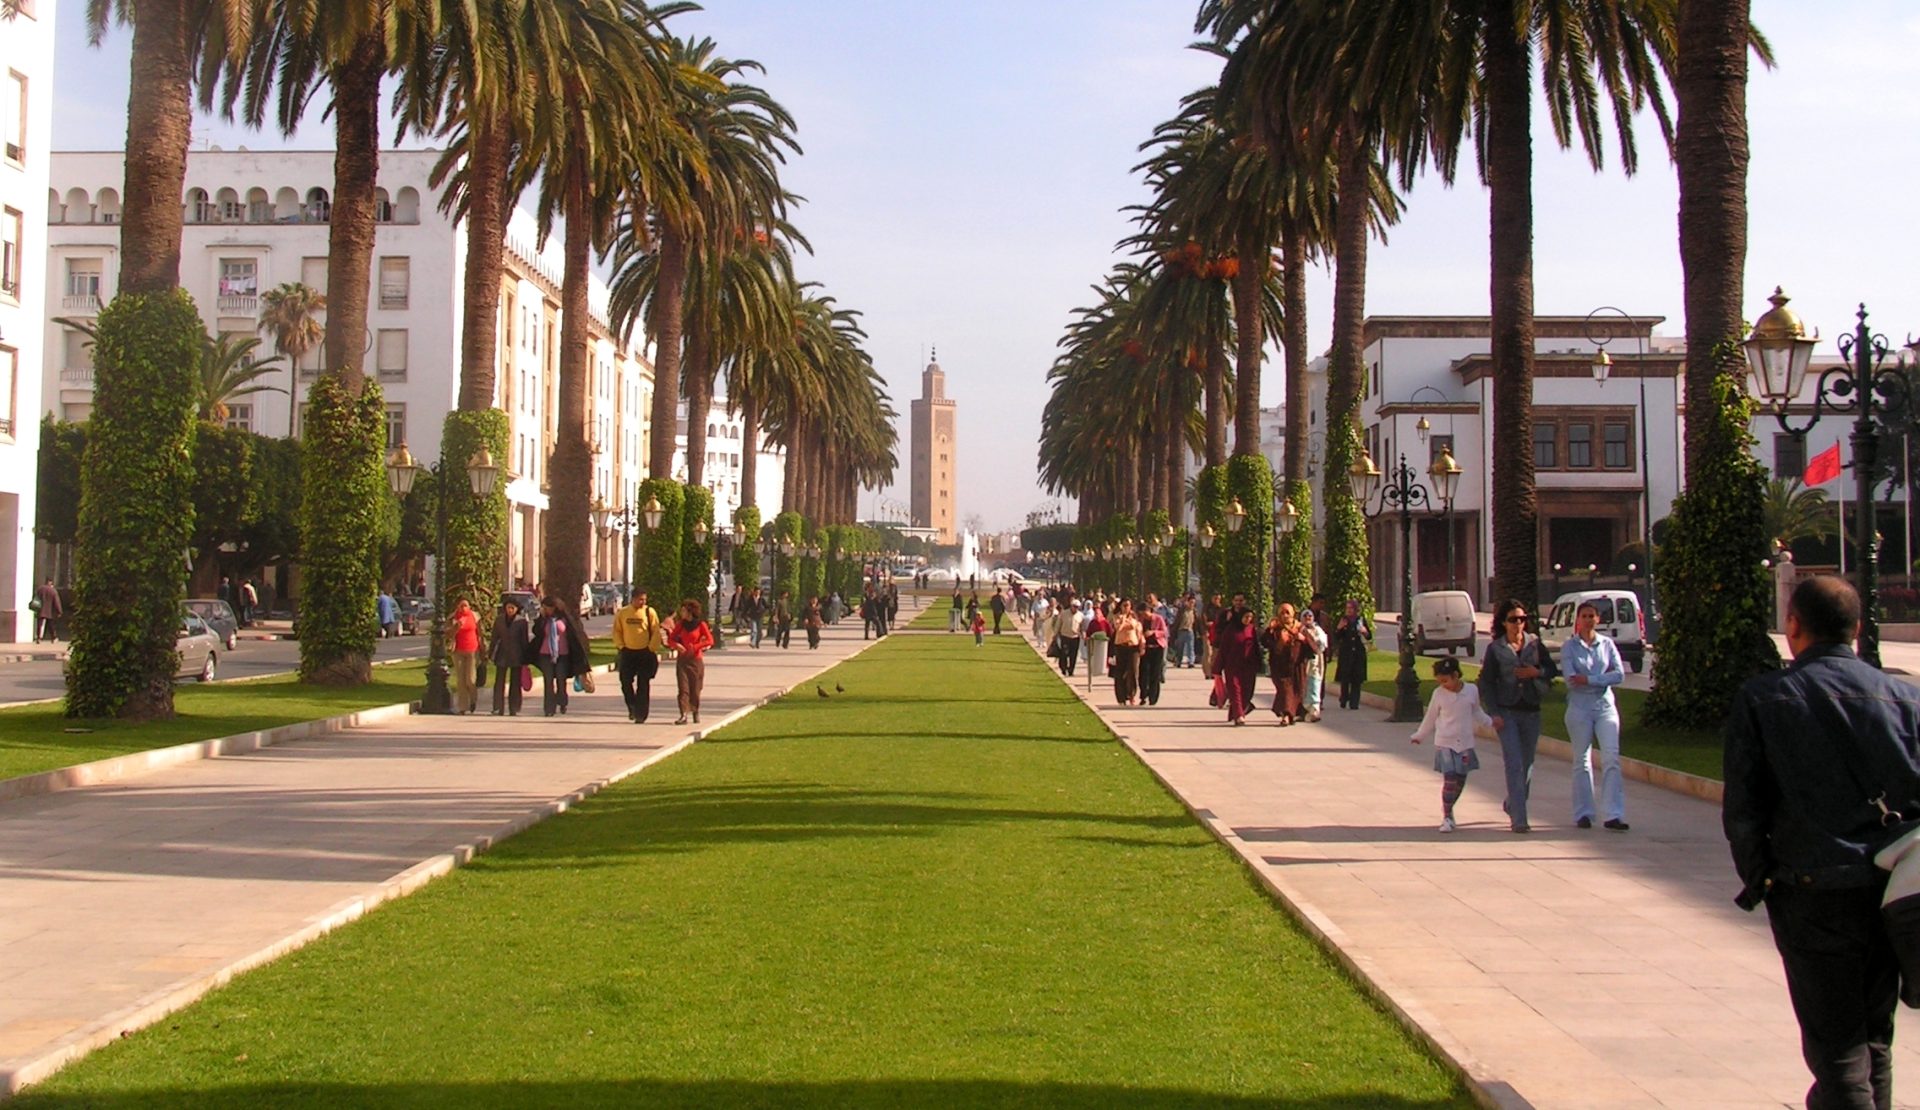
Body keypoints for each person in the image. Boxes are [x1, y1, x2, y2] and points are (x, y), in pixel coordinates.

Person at [1726, 575, 1920, 1109]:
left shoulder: (1765, 698)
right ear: (1856, 630)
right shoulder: (1906, 698)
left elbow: (1744, 807)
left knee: (1836, 1050)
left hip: (1811, 892)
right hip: (1890, 891)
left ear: (1793, 625)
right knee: (1874, 1037)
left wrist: (1762, 878)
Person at [1478, 598, 1553, 834]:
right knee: (1514, 764)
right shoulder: (1496, 649)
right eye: (1513, 620)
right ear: (1503, 622)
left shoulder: (1535, 645)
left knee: (1527, 763)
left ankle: (1513, 803)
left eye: (1522, 619)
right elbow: (1486, 682)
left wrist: (1536, 672)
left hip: (1531, 710)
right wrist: (1494, 713)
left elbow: (1552, 670)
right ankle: (1520, 819)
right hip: (1507, 712)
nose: (1518, 624)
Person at [1563, 600, 1629, 831]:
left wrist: (1591, 680)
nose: (1588, 620)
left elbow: (1619, 674)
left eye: (1592, 616)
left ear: (1597, 619)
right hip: (1579, 709)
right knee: (1582, 760)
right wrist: (1600, 678)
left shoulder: (1607, 645)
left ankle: (1614, 814)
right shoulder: (1570, 647)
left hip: (1604, 707)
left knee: (1611, 758)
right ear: (1578, 620)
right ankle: (1584, 813)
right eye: (1584, 616)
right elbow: (1572, 680)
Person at [1410, 657, 1492, 833]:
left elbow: (1477, 711)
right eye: (1440, 681)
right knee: (1450, 778)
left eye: (1446, 681)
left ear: (1456, 675)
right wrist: (1420, 735)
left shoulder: (1471, 690)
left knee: (1460, 779)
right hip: (1445, 742)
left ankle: (1449, 806)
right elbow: (1431, 717)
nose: (1443, 685)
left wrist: (1490, 723)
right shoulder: (1438, 694)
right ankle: (1447, 816)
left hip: (1464, 742)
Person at [613, 589, 664, 724]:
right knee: (625, 682)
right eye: (640, 599)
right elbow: (617, 631)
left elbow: (655, 631)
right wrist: (621, 646)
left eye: (644, 600)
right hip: (628, 652)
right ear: (633, 599)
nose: (643, 602)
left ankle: (641, 714)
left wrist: (651, 648)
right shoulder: (623, 613)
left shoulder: (649, 612)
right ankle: (632, 706)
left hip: (645, 653)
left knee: (643, 684)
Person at [530, 596, 583, 717]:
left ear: (554, 607)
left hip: (562, 655)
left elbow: (574, 635)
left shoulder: (565, 619)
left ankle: (562, 702)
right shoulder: (544, 620)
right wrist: (542, 618)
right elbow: (536, 632)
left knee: (560, 679)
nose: (545, 610)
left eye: (547, 608)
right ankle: (549, 708)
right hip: (545, 654)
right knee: (548, 681)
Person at [1261, 603, 1311, 726]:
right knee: (1284, 689)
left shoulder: (1300, 628)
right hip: (1279, 666)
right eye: (1282, 612)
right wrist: (1274, 637)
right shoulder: (1275, 628)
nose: (1285, 615)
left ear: (1293, 614)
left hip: (1297, 666)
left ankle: (1291, 714)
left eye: (1287, 612)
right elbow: (1264, 642)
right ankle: (1286, 715)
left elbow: (1311, 647)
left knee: (1296, 690)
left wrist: (1302, 639)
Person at [667, 599, 714, 724]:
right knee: (683, 689)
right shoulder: (680, 625)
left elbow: (710, 640)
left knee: (695, 689)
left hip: (695, 660)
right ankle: (683, 714)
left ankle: (695, 710)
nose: (681, 613)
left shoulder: (700, 625)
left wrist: (696, 646)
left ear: (690, 612)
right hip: (682, 660)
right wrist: (677, 645)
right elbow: (670, 640)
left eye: (683, 610)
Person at [1216, 602, 1262, 725]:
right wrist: (1217, 668)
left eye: (1250, 617)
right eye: (1246, 617)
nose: (1248, 620)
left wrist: (1259, 663)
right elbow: (1223, 649)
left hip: (1248, 666)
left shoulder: (1251, 629)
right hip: (1232, 666)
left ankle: (1239, 711)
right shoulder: (1230, 630)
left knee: (1247, 691)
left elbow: (1255, 647)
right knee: (1235, 690)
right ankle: (1239, 716)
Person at [488, 597, 532, 716]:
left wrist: (526, 657)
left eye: (513, 608)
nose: (510, 610)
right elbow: (494, 638)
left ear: (517, 609)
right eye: (508, 607)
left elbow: (524, 641)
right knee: (499, 682)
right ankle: (497, 707)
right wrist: (490, 653)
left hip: (517, 654)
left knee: (515, 682)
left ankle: (514, 708)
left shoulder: (521, 622)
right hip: (502, 654)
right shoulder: (499, 620)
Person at [1330, 600, 1372, 710]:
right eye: (1347, 608)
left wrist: (1364, 631)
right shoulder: (1343, 620)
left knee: (1356, 678)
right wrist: (1339, 628)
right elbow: (1337, 636)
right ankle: (1344, 698)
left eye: (1351, 608)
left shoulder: (1361, 620)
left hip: (1358, 652)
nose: (1349, 610)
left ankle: (1354, 702)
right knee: (1345, 677)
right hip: (1346, 652)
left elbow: (1368, 636)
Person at [449, 598, 482, 713]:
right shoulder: (454, 617)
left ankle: (473, 700)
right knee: (461, 680)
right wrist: (456, 627)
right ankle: (462, 707)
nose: (463, 608)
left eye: (465, 605)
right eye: (461, 605)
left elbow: (480, 632)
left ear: (469, 607)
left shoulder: (474, 616)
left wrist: (483, 647)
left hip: (472, 650)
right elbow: (447, 633)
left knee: (470, 679)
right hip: (458, 650)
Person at [1110, 600, 1144, 706]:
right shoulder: (1116, 617)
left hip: (1133, 647)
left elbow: (1137, 630)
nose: (1126, 607)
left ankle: (1131, 695)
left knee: (1133, 671)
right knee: (1119, 672)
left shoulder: (1135, 618)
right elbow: (1118, 628)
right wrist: (1124, 618)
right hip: (1120, 646)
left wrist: (1142, 644)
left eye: (1127, 605)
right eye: (1123, 605)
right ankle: (1121, 697)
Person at [1300, 608, 1329, 723]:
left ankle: (1314, 711)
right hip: (1302, 662)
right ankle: (1302, 711)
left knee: (1315, 684)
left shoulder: (1317, 629)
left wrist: (1312, 639)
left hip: (1315, 662)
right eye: (1305, 617)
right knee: (1303, 686)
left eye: (1310, 617)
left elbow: (1322, 644)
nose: (1308, 619)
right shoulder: (1298, 629)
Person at [1140, 595, 1169, 706]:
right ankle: (1143, 695)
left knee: (1155, 673)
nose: (1144, 616)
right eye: (1142, 614)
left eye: (1145, 613)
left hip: (1157, 648)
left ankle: (1153, 697)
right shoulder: (1141, 620)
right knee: (1144, 672)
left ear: (1149, 610)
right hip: (1146, 648)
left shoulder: (1158, 618)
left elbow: (1165, 632)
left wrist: (1154, 632)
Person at [1083, 603, 1112, 693]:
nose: (1097, 615)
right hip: (1094, 644)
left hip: (1103, 645)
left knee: (1103, 659)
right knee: (1094, 659)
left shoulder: (1105, 622)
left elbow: (1110, 632)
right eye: (1095, 614)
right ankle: (1094, 672)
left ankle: (1102, 669)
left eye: (1098, 613)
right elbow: (1088, 632)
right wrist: (1087, 638)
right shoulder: (1092, 622)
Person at [31, 578, 63, 643]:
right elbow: (57, 602)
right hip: (49, 611)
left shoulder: (40, 589)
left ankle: (39, 638)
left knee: (40, 624)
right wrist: (59, 611)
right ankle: (54, 638)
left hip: (40, 610)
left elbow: (35, 598)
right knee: (51, 625)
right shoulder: (53, 591)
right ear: (51, 583)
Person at [1056, 601, 1083, 678]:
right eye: (1074, 606)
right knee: (1064, 654)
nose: (1076, 608)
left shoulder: (1080, 615)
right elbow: (1059, 624)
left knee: (1073, 655)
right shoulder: (1064, 614)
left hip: (1075, 637)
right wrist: (1056, 634)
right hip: (1065, 636)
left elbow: (1082, 627)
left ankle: (1071, 671)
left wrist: (1083, 634)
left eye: (1077, 607)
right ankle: (1063, 668)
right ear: (1071, 606)